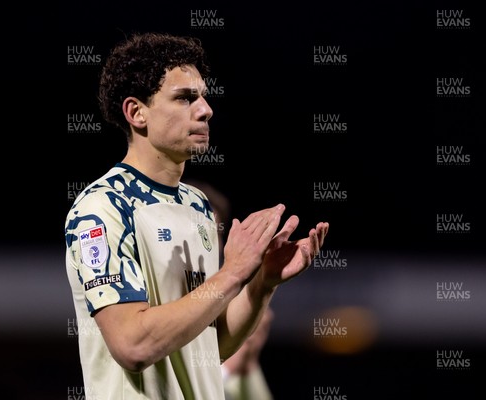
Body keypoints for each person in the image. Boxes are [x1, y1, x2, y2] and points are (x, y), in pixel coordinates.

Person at [64, 31, 329, 400]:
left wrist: (261, 283)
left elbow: (209, 344)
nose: (206, 109)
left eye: (203, 97)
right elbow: (133, 346)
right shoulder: (102, 207)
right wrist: (233, 272)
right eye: (185, 98)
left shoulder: (198, 205)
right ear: (136, 112)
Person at [185, 178, 275, 400]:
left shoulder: (228, 308)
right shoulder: (157, 302)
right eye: (198, 234)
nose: (207, 245)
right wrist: (228, 369)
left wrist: (248, 362)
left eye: (213, 235)